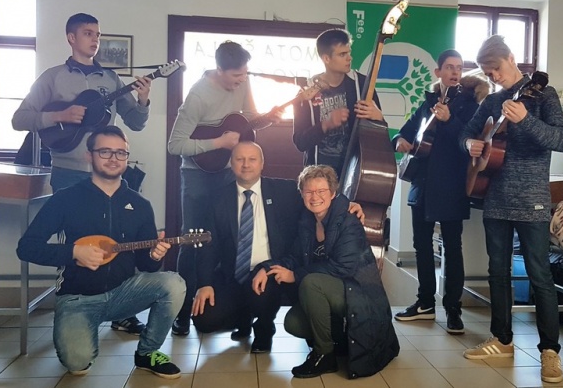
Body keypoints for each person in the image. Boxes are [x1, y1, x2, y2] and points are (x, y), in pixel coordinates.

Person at [12, 13, 152, 335]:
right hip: (68, 173)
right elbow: (20, 119)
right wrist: (59, 115)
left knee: (120, 242)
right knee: (75, 243)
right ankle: (72, 305)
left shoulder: (111, 79)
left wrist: (143, 99)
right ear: (71, 38)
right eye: (88, 33)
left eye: (98, 34)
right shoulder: (53, 77)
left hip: (110, 176)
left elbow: (135, 123)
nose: (95, 39)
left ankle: (122, 310)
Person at [15, 125, 185, 379]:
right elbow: (26, 247)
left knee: (173, 283)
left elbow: (146, 266)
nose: (113, 158)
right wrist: (73, 252)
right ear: (89, 155)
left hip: (123, 292)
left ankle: (147, 353)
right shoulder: (65, 199)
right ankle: (82, 329)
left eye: (120, 153)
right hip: (78, 298)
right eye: (105, 152)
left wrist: (154, 256)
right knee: (77, 364)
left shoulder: (140, 205)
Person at [459, 35, 563, 384]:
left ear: (511, 58)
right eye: (487, 72)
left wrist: (526, 120)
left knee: (540, 275)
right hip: (495, 197)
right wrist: (469, 143)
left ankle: (549, 351)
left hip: (532, 199)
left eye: (496, 68)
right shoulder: (493, 100)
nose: (493, 76)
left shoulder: (542, 96)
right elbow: (466, 133)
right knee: (498, 272)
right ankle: (502, 339)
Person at [253, 165, 399, 379]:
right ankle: (340, 341)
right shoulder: (307, 221)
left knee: (311, 282)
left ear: (332, 193)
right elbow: (294, 257)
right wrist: (266, 267)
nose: (315, 197)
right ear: (302, 194)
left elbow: (343, 267)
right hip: (333, 292)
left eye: (321, 191)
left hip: (358, 292)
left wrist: (295, 275)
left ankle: (324, 355)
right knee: (293, 323)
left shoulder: (348, 220)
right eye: (309, 191)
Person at [167, 41, 257, 336]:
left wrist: (275, 113)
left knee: (230, 236)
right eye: (236, 76)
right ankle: (182, 312)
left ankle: (232, 309)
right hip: (197, 176)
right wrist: (218, 142)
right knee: (192, 240)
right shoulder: (198, 96)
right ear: (219, 69)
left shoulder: (243, 81)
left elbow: (251, 119)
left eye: (244, 74)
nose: (241, 80)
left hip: (227, 172)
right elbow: (175, 145)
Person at [392, 50, 481, 334]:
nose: (455, 72)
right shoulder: (428, 102)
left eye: (459, 68)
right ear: (438, 72)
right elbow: (404, 132)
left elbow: (469, 140)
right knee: (422, 246)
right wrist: (400, 141)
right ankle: (425, 304)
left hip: (452, 184)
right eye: (450, 67)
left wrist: (450, 120)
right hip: (423, 184)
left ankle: (453, 309)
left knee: (452, 248)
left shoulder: (469, 104)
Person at [190, 141, 304, 353]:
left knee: (262, 294)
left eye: (252, 159)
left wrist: (346, 205)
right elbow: (207, 246)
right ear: (231, 163)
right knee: (204, 320)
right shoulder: (216, 198)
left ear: (262, 163)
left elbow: (318, 197)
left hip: (269, 272)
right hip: (233, 275)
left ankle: (264, 328)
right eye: (240, 159)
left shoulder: (286, 191)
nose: (246, 164)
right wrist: (204, 284)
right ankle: (244, 316)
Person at [292, 28, 384, 176]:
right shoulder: (307, 91)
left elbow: (378, 134)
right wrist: (326, 124)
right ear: (326, 58)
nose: (349, 58)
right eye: (342, 54)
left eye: (349, 52)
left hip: (356, 172)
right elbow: (300, 142)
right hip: (319, 174)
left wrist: (379, 117)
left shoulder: (362, 84)